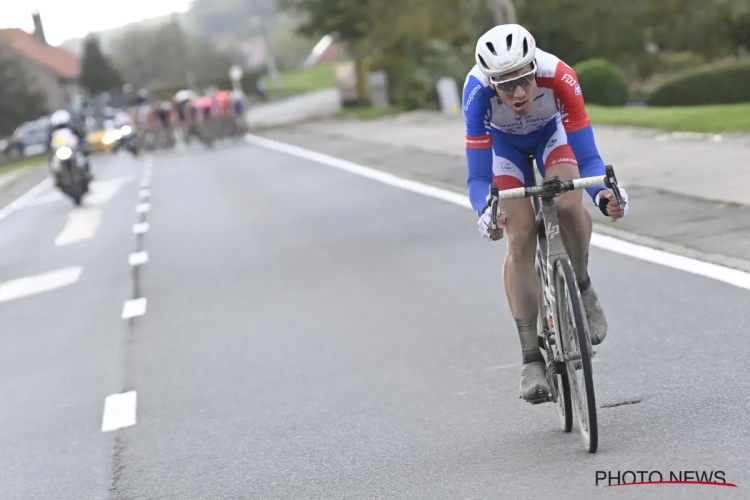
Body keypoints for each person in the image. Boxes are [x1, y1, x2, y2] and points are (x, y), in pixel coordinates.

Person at [463, 24, 630, 402]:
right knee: (519, 236)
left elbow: (587, 156)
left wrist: (605, 192)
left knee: (570, 202)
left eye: (523, 79)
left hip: (551, 137)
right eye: (506, 86)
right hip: (504, 149)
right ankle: (530, 358)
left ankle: (583, 289)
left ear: (533, 68)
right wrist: (485, 211)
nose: (518, 93)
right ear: (491, 83)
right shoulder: (475, 93)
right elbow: (477, 176)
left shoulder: (560, 75)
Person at [47, 109, 92, 183]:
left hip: (73, 150)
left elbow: (81, 136)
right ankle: (57, 180)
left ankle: (87, 174)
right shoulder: (52, 133)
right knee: (53, 163)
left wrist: (83, 143)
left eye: (63, 125)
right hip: (60, 151)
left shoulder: (72, 129)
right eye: (58, 126)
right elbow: (48, 143)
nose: (61, 127)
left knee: (83, 159)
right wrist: (49, 149)